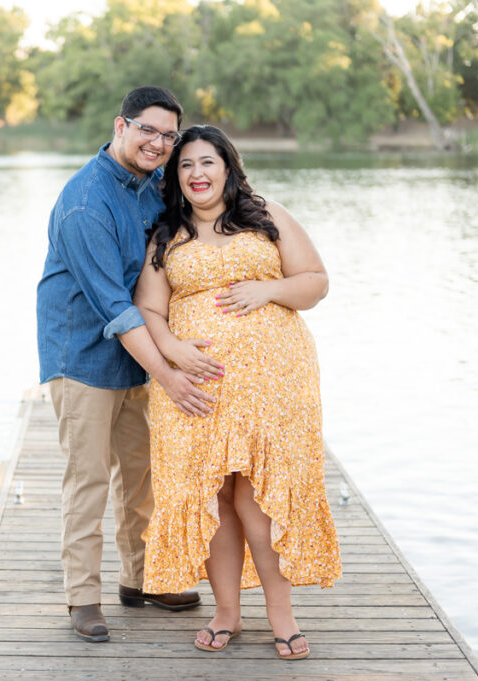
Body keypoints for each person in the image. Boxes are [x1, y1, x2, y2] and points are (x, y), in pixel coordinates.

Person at [134, 125, 342, 660]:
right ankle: (226, 611)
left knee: (258, 497)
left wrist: (269, 289)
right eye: (185, 166)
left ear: (228, 166)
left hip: (272, 382)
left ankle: (282, 616)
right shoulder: (167, 235)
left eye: (207, 162)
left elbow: (316, 281)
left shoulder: (265, 216)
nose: (197, 174)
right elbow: (149, 310)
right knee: (215, 499)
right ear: (175, 178)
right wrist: (172, 349)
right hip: (196, 388)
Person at [36, 87, 224, 643]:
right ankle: (83, 599)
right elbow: (115, 309)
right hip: (84, 355)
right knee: (88, 480)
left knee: (142, 476)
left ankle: (142, 581)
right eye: (149, 130)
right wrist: (170, 375)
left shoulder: (156, 188)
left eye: (169, 136)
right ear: (121, 125)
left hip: (135, 356)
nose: (159, 143)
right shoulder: (84, 202)